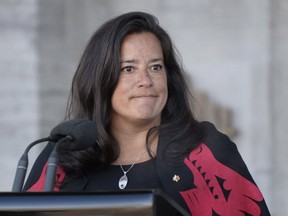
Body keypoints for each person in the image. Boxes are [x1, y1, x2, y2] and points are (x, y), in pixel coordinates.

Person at [24, 11, 270, 215]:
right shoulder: (63, 154)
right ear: (100, 79)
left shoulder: (205, 150)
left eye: (155, 67)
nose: (145, 80)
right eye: (128, 69)